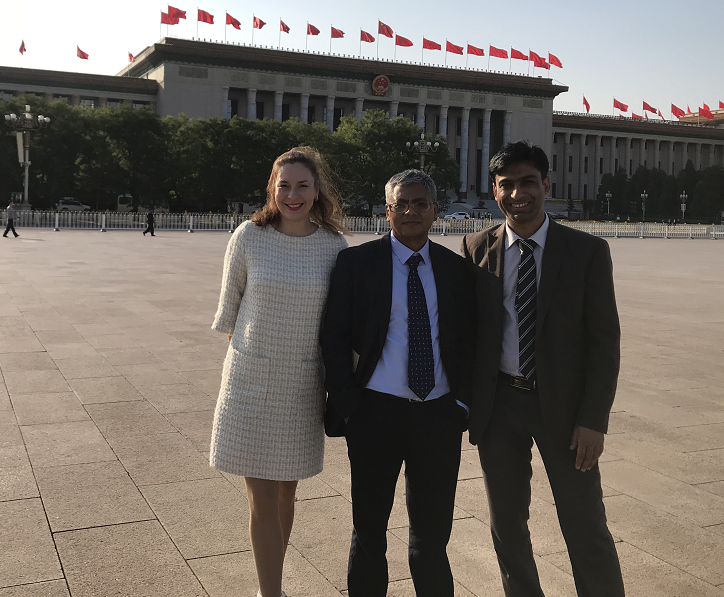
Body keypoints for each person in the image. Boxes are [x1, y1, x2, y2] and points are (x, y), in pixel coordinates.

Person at [461, 141, 625, 597]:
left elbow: (604, 342)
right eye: (507, 184)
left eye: (528, 182)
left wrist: (593, 420)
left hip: (566, 411)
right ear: (495, 191)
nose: (518, 194)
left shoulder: (586, 251)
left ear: (547, 185)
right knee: (507, 525)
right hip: (500, 406)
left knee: (584, 524)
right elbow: (468, 332)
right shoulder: (476, 247)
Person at [321, 169, 475, 597]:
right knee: (369, 530)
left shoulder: (454, 269)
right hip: (375, 413)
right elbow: (333, 336)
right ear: (386, 212)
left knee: (432, 534)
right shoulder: (357, 264)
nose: (410, 211)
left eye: (420, 203)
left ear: (435, 211)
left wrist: (461, 404)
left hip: (438, 417)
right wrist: (349, 404)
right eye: (401, 204)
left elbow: (468, 339)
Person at [210, 147, 347, 597]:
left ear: (317, 190)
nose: (292, 195)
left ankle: (273, 579)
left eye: (302, 185)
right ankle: (270, 592)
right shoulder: (249, 236)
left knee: (288, 492)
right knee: (262, 497)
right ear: (272, 188)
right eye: (284, 185)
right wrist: (253, 361)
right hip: (250, 383)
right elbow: (230, 312)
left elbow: (339, 323)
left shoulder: (333, 246)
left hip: (302, 385)